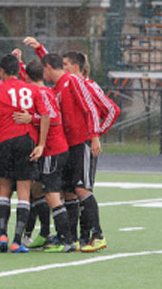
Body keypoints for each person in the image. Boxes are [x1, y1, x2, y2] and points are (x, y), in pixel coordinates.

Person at [40, 52, 119, 252]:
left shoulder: (73, 81)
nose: (64, 66)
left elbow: (91, 109)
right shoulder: (56, 87)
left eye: (66, 63)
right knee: (69, 191)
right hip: (67, 146)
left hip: (81, 142)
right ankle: (73, 239)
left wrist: (95, 135)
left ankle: (97, 236)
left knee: (82, 188)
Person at [0, 54, 49, 253]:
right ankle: (17, 240)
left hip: (4, 141)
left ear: (2, 71)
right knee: (23, 191)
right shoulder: (32, 89)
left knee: (3, 189)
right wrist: (41, 144)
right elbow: (45, 115)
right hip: (25, 140)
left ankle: (2, 234)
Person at [13, 56, 75, 252]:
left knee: (52, 194)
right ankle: (46, 235)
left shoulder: (42, 93)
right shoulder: (42, 90)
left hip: (52, 150)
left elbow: (52, 118)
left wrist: (32, 119)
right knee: (38, 189)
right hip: (51, 150)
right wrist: (20, 62)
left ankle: (66, 240)